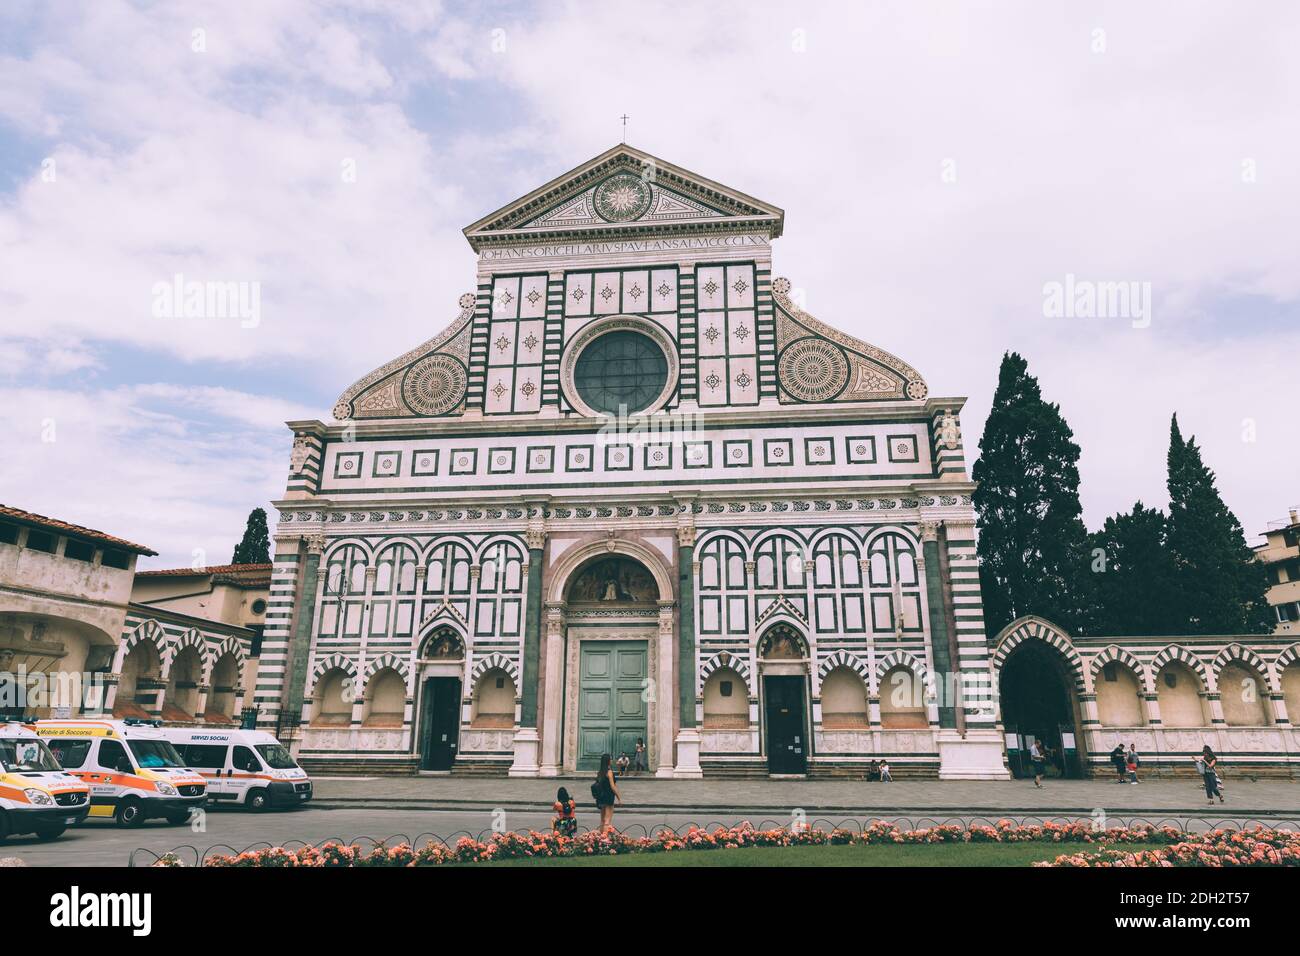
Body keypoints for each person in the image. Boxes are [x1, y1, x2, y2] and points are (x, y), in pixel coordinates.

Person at [591, 753, 622, 830]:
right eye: (610, 759)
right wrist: (619, 798)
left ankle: (601, 838)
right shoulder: (609, 772)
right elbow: (613, 786)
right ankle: (605, 839)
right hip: (608, 797)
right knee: (607, 820)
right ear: (608, 761)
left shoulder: (600, 772)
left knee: (602, 820)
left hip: (601, 797)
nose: (611, 760)